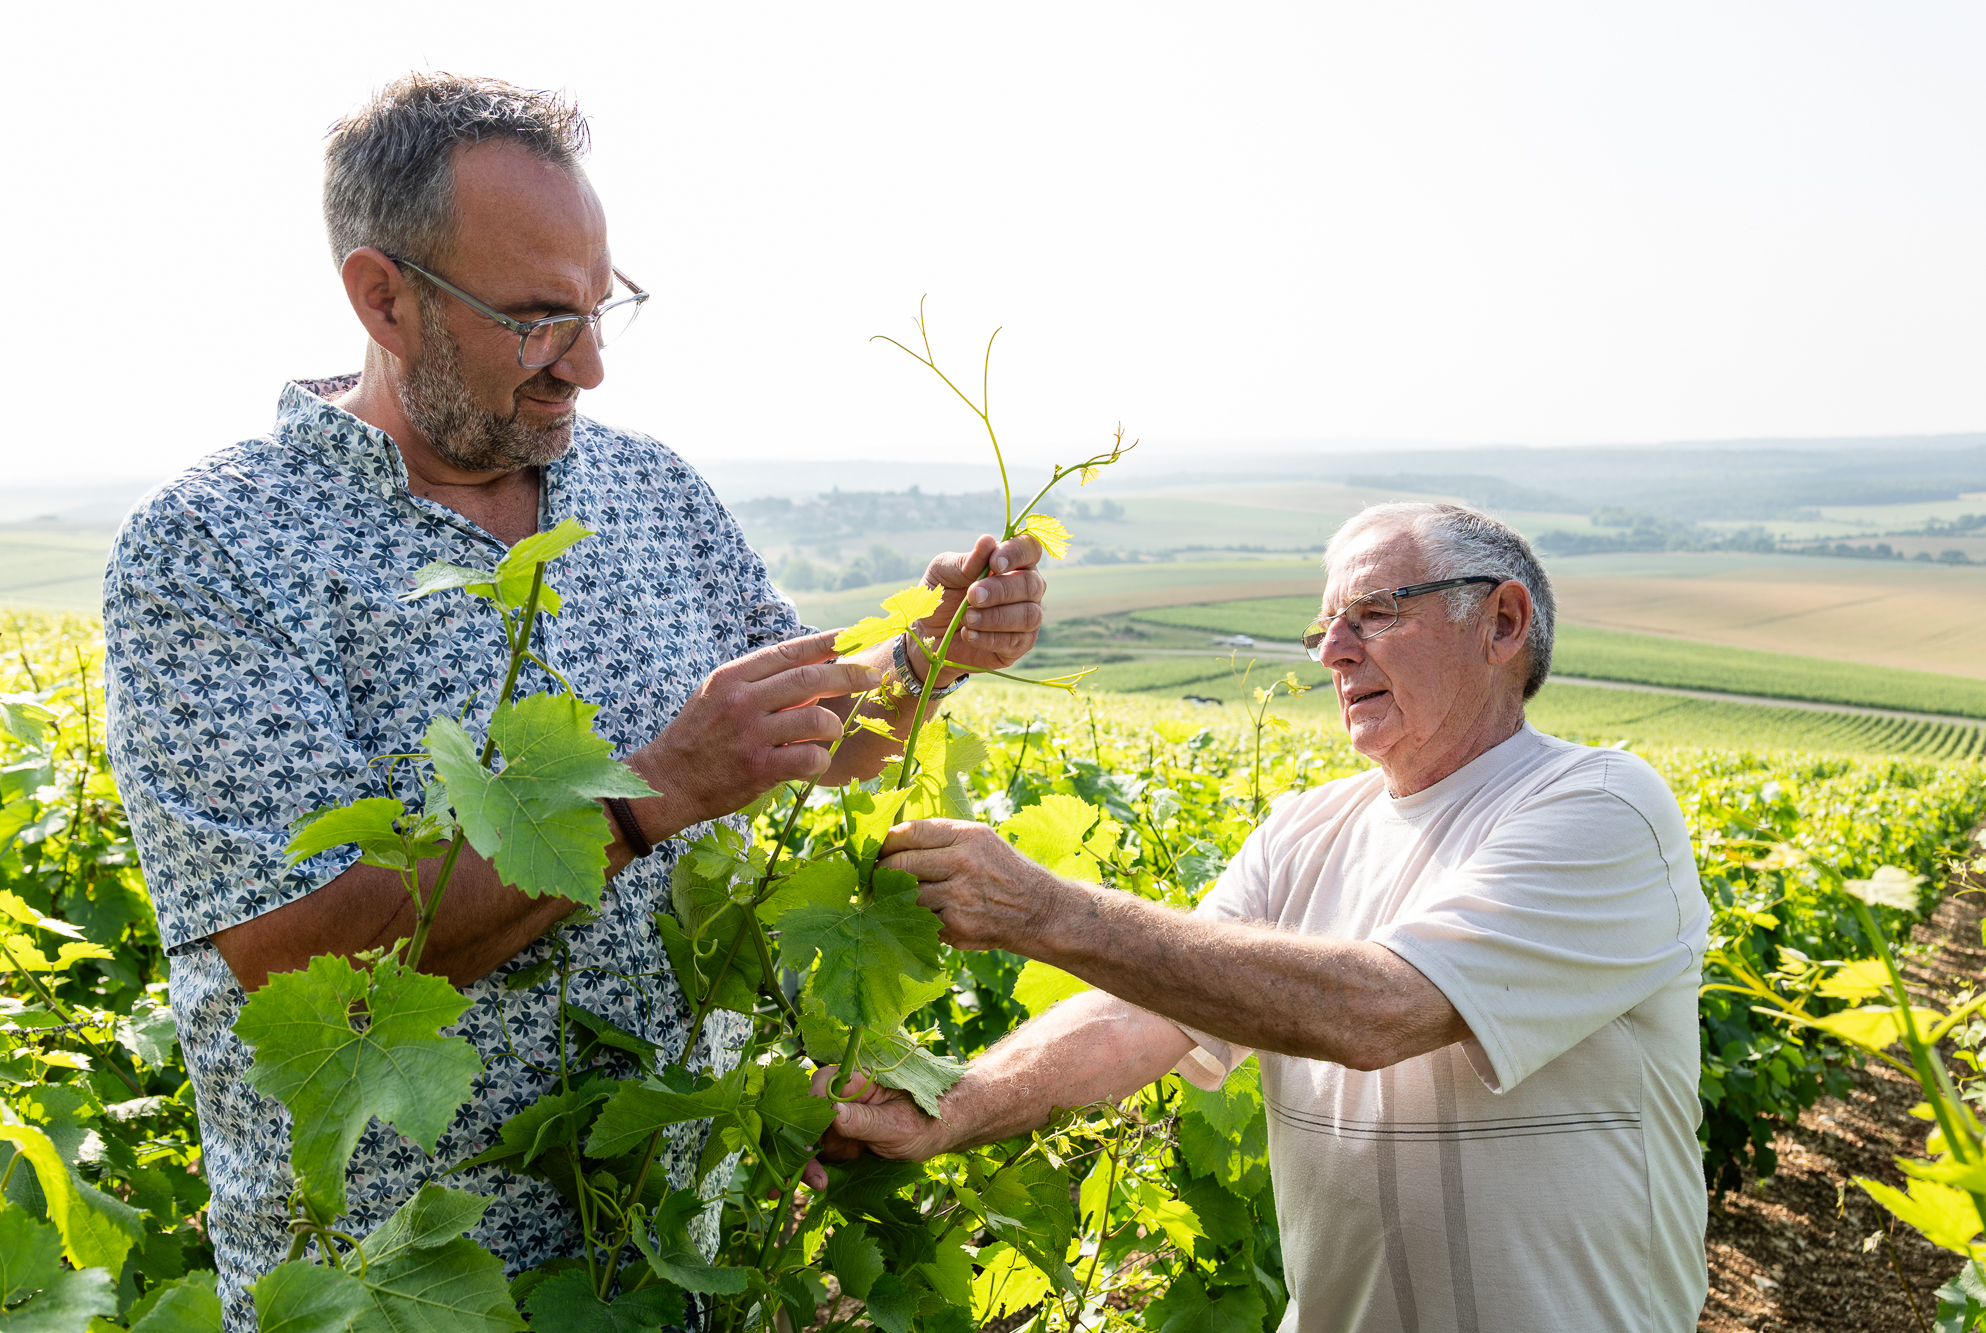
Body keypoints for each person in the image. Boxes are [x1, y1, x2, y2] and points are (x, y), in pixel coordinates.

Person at [101, 73, 1047, 1328]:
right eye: (540, 319)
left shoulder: (649, 490)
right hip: (402, 1295)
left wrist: (925, 662)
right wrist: (654, 794)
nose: (589, 365)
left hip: (677, 1260)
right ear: (382, 297)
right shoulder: (214, 548)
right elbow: (299, 952)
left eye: (603, 309)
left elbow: (804, 736)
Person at [821, 502, 1709, 1331]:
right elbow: (1143, 1014)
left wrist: (1042, 910)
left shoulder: (1602, 805)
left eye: (1373, 613)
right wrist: (954, 1103)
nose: (1334, 653)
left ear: (1503, 623)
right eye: (1325, 628)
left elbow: (1381, 1008)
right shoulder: (1305, 829)